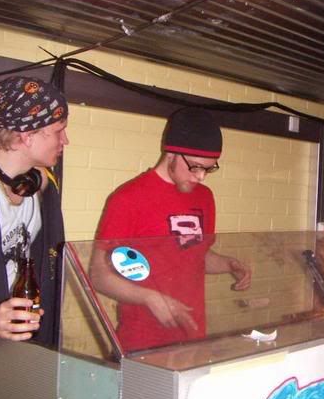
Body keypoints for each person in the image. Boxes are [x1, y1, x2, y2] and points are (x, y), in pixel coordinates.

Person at [93, 107, 251, 353]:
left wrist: (229, 264)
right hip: (142, 342)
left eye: (208, 169)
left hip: (192, 337)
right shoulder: (128, 198)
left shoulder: (205, 197)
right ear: (172, 152)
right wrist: (150, 298)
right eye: (195, 167)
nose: (201, 177)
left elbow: (195, 255)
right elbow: (99, 275)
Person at [0, 76, 69, 344]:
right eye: (59, 130)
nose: (66, 140)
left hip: (21, 346)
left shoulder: (39, 187)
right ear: (27, 136)